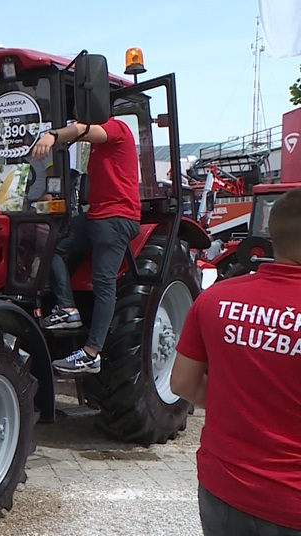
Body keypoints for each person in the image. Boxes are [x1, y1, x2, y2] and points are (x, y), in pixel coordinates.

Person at [170, 189, 301, 535]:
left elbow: (181, 383)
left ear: (272, 237)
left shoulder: (216, 298)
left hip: (224, 490)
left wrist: (236, 403)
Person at [30, 113, 141, 374]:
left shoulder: (118, 129)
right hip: (96, 215)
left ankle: (92, 353)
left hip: (116, 217)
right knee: (51, 246)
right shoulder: (99, 147)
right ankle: (67, 309)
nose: (80, 117)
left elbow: (82, 129)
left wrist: (52, 135)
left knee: (103, 281)